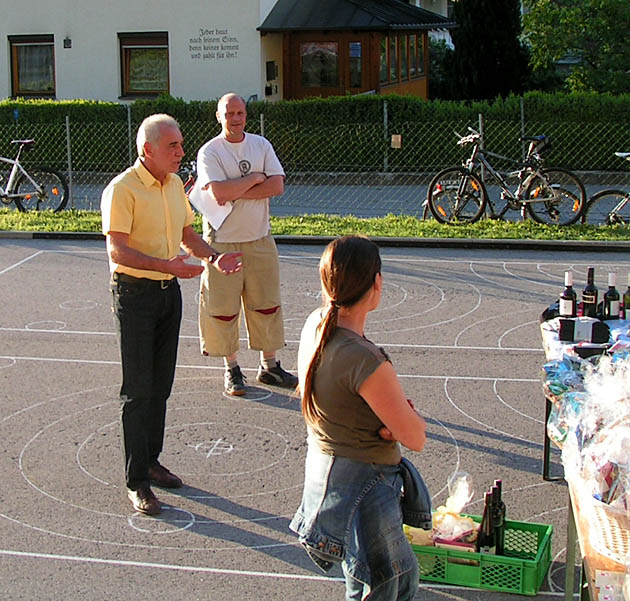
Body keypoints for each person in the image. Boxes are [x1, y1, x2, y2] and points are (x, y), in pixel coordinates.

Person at [101, 114, 243, 516]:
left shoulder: (173, 185)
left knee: (161, 385)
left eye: (181, 145)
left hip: (168, 293)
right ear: (148, 150)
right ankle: (137, 481)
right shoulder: (122, 190)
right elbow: (118, 252)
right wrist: (170, 268)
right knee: (138, 390)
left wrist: (213, 257)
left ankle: (151, 460)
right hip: (135, 295)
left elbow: (186, 233)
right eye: (173, 147)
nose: (182, 152)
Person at [290, 235, 428, 601]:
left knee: (371, 574)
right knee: (386, 584)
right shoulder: (365, 360)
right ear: (376, 284)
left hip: (332, 474)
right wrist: (402, 419)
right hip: (366, 484)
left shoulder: (316, 325)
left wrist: (384, 418)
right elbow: (415, 437)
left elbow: (325, 396)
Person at [195, 92, 297, 396]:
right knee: (224, 309)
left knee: (266, 305)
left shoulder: (261, 145)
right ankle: (232, 368)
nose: (235, 118)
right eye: (229, 114)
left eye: (239, 113)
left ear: (246, 115)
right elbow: (217, 194)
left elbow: (276, 185)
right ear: (219, 116)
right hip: (223, 243)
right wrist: (254, 179)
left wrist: (235, 188)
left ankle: (269, 366)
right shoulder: (209, 152)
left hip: (259, 239)